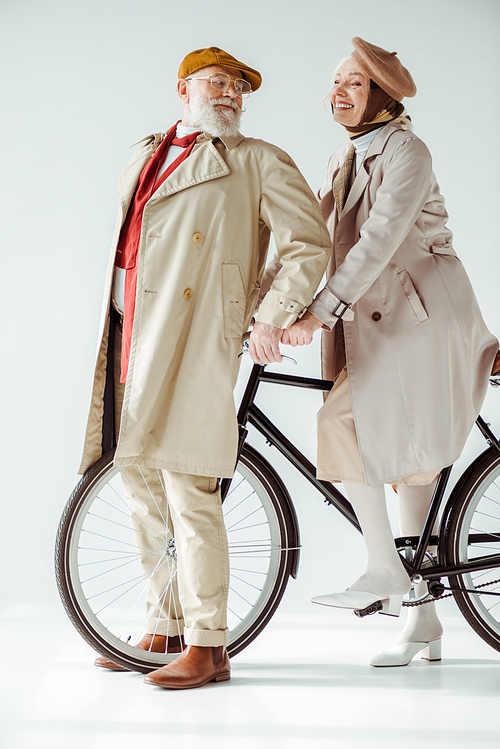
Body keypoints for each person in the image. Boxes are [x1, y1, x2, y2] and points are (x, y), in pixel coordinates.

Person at [78, 46, 331, 689]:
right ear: (183, 88)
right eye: (215, 83)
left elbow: (308, 243)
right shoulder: (148, 151)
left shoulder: (255, 161)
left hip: (194, 337)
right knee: (136, 476)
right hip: (130, 332)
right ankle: (163, 626)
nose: (229, 95)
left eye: (238, 87)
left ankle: (208, 644)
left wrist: (268, 315)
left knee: (190, 487)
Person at [276, 38, 500, 667]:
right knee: (400, 464)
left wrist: (320, 311)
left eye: (352, 83)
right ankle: (423, 620)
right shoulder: (345, 158)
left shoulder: (408, 151)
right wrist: (266, 304)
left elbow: (379, 240)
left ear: (382, 93)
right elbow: (311, 235)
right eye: (335, 83)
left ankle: (384, 570)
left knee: (346, 423)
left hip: (425, 322)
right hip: (380, 322)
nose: (338, 93)